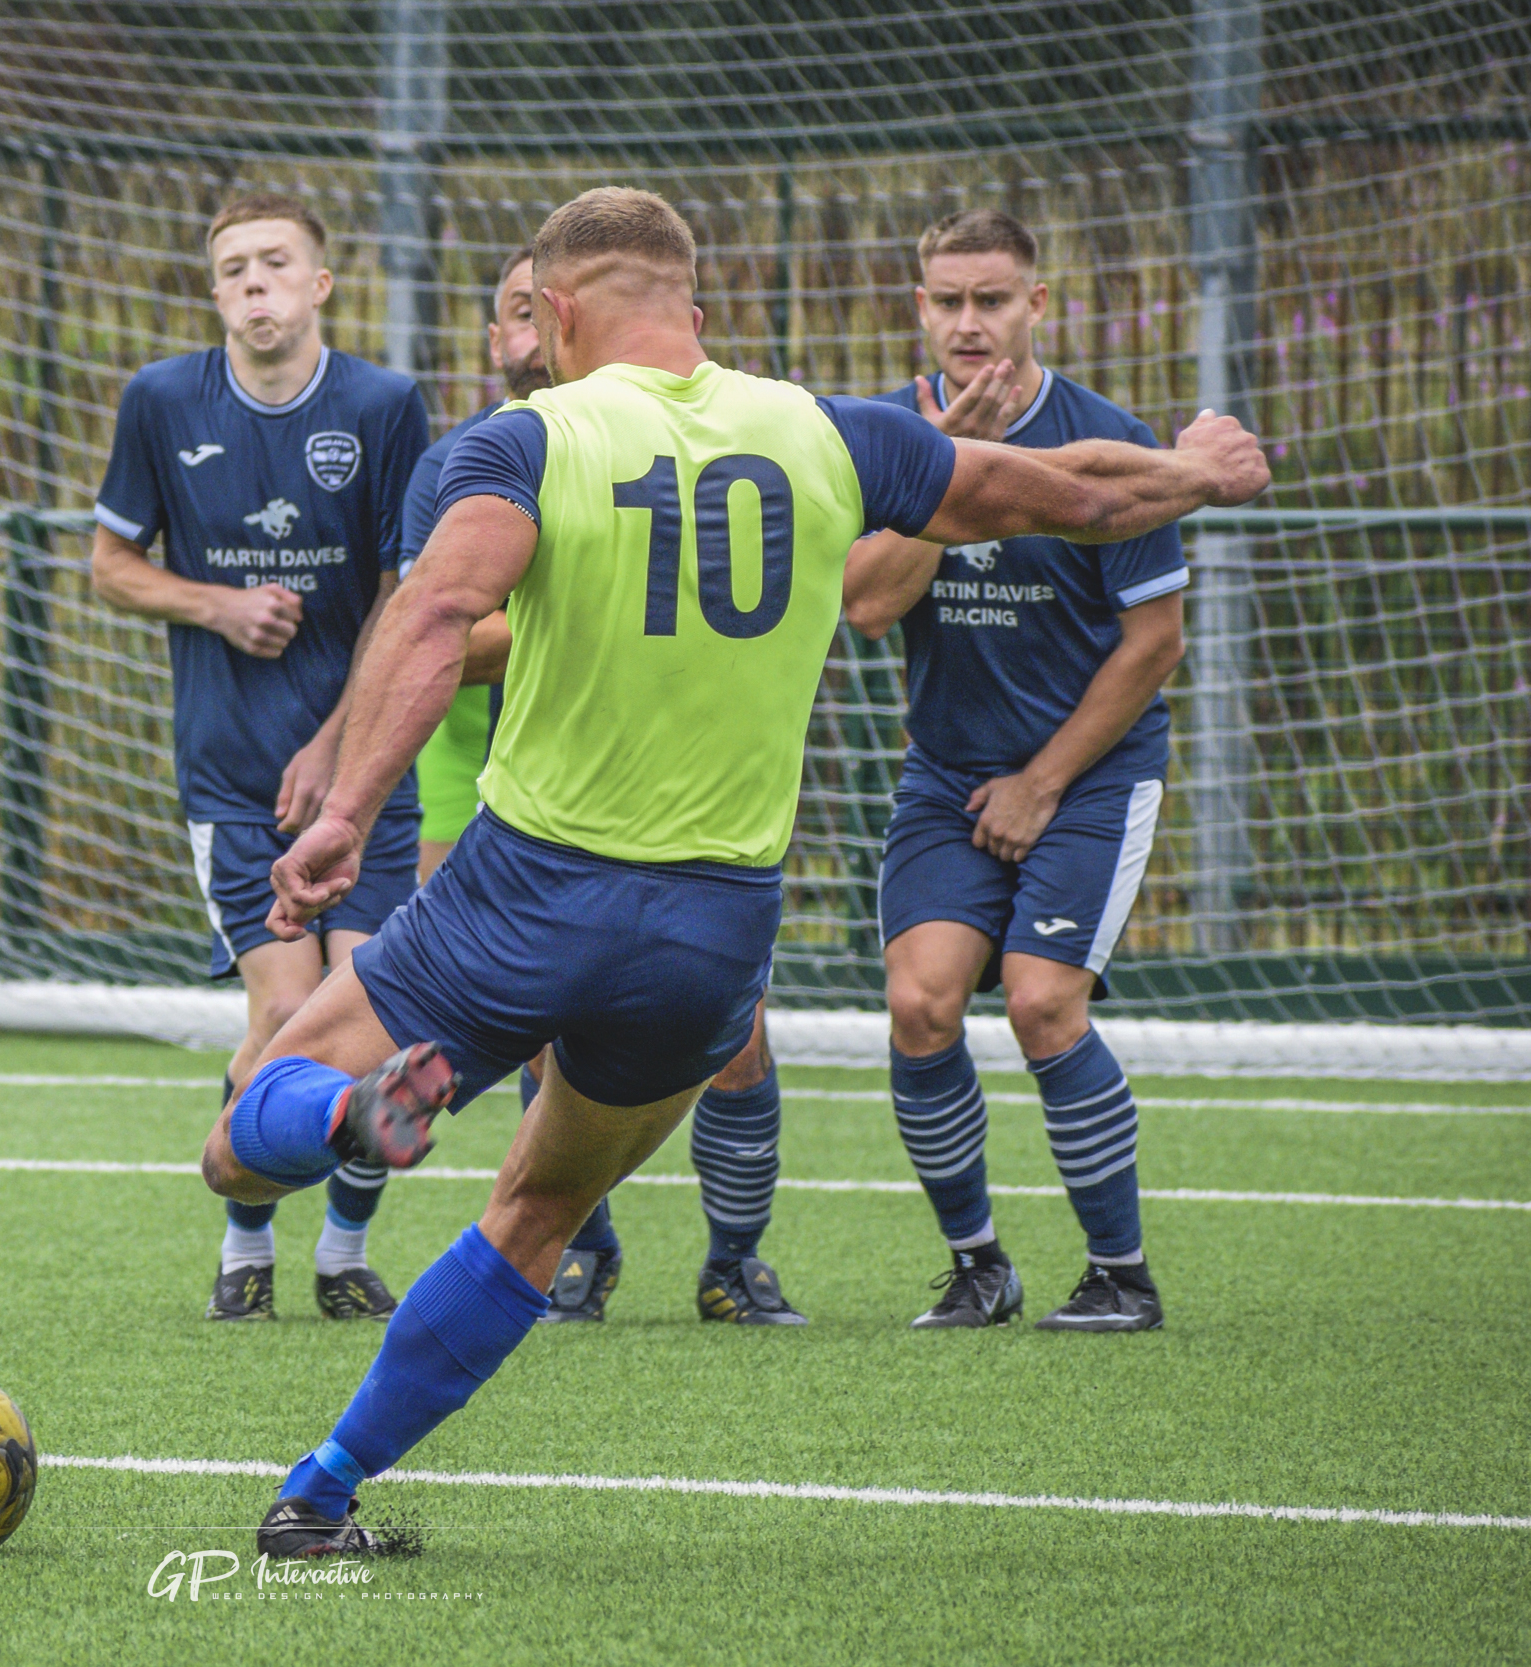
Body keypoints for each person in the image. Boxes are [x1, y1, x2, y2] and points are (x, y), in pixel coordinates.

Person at [195, 186, 1267, 1556]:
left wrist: (348, 805)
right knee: (533, 1211)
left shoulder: (519, 440)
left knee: (240, 1141)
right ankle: (321, 1490)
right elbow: (1066, 494)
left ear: (563, 311)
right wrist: (1194, 471)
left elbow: (439, 611)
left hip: (521, 891)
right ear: (693, 304)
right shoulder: (830, 430)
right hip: (709, 934)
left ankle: (352, 1125)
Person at [400, 246, 799, 1326]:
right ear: (500, 339)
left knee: (734, 1027)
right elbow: (430, 630)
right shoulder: (470, 459)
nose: (534, 332)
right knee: (536, 1022)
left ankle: (737, 1261)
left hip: (679, 793)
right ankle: (578, 1249)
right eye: (513, 315)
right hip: (495, 787)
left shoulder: (703, 443)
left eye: (548, 310)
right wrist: (566, 609)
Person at [846, 209, 1194, 1332]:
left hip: (1088, 776)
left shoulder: (1111, 438)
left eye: (989, 298)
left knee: (1044, 1005)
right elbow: (864, 603)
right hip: (949, 773)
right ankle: (977, 1266)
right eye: (945, 299)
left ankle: (1120, 1275)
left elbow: (1156, 642)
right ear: (918, 307)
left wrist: (1043, 782)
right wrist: (951, 468)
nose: (967, 321)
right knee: (919, 1003)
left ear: (1037, 304)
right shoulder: (887, 433)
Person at [91, 192, 431, 1322]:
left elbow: (405, 590)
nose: (253, 284)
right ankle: (246, 1247)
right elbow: (110, 565)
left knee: (373, 1014)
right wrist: (215, 605)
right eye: (232, 266)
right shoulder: (161, 400)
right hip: (230, 772)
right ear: (214, 290)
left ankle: (341, 1254)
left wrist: (337, 744)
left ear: (320, 284)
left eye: (275, 263)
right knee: (287, 1022)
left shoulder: (383, 404)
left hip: (366, 769)